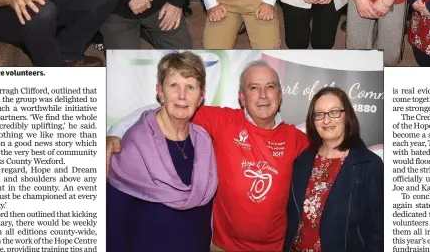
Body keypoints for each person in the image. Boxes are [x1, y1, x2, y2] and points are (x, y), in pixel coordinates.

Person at [106, 59, 310, 252]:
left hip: (275, 248)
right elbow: (166, 109)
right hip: (222, 246)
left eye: (271, 87)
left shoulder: (296, 139)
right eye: (254, 88)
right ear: (242, 97)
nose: (263, 95)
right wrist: (116, 132)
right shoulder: (222, 121)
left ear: (280, 94)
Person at [107, 52, 217, 252]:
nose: (182, 95)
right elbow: (112, 225)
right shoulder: (134, 146)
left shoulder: (204, 142)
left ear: (201, 96)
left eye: (190, 87)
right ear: (160, 92)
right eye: (173, 85)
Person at [284, 87, 383, 252]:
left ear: (347, 116)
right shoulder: (302, 161)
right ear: (312, 120)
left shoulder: (369, 165)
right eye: (319, 114)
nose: (326, 120)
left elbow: (378, 232)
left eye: (334, 112)